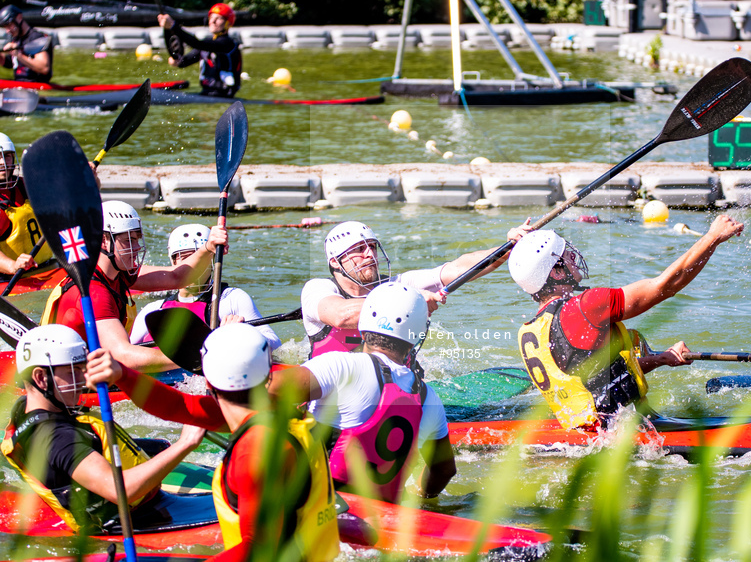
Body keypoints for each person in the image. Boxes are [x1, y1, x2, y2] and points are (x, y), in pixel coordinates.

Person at [86, 323, 340, 562]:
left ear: (207, 381)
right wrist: (122, 374)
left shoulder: (254, 452)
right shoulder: (279, 415)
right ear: (268, 375)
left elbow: (259, 548)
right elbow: (178, 405)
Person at [507, 215, 745, 431]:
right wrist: (712, 237)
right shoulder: (586, 306)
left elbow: (598, 381)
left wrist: (661, 359)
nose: (573, 256)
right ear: (557, 273)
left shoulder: (531, 330)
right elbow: (665, 286)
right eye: (565, 255)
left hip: (586, 436)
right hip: (628, 431)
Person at [1, 325, 209, 534]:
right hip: (134, 518)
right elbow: (120, 490)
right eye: (72, 372)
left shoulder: (26, 407)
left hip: (143, 503)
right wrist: (186, 443)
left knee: (160, 446)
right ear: (40, 378)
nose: (83, 380)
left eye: (82, 369)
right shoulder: (56, 438)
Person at [274, 282, 455, 503]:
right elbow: (444, 470)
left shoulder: (340, 366)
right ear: (417, 334)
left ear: (364, 323)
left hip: (322, 510)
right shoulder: (429, 397)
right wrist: (420, 497)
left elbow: (267, 390)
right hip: (384, 518)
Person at [41, 201, 228, 372]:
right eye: (129, 240)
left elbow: (176, 276)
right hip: (68, 378)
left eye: (137, 239)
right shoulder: (94, 292)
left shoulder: (119, 273)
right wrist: (199, 355)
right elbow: (123, 356)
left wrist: (208, 248)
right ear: (104, 240)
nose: (137, 247)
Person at [302, 220, 531, 359]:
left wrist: (508, 248)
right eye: (359, 250)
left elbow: (456, 268)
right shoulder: (318, 289)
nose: (370, 255)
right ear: (334, 262)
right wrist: (407, 300)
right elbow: (340, 316)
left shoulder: (397, 284)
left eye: (372, 247)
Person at [130, 223, 281, 351]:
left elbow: (275, 344)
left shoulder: (231, 299)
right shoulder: (153, 310)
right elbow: (128, 352)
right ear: (173, 263)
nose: (193, 269)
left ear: (211, 263)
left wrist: (242, 334)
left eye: (198, 260)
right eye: (184, 259)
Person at [157, 4, 242, 98]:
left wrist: (174, 26)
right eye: (211, 18)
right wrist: (167, 30)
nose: (213, 21)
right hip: (206, 93)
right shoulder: (207, 46)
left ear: (228, 23)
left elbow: (197, 43)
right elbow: (183, 63)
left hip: (224, 95)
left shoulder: (227, 43)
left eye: (218, 18)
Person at [0, 132, 54, 276]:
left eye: (7, 156)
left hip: (49, 268)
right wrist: (13, 266)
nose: (2, 162)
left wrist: (87, 180)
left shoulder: (27, 185)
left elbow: (64, 201)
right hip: (9, 279)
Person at [0, 5, 52, 83]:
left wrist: (18, 54)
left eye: (9, 25)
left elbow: (44, 68)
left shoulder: (37, 38)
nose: (7, 31)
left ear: (19, 18)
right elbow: (11, 64)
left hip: (36, 88)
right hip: (19, 86)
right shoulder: (16, 38)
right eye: (5, 27)